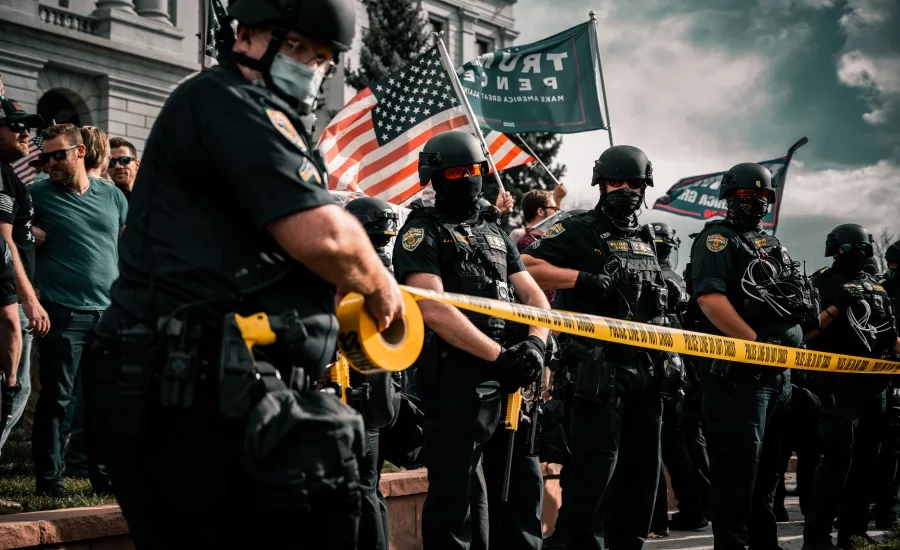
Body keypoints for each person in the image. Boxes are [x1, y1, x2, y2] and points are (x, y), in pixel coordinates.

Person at [92, 0, 405, 547]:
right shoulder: (227, 99)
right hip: (193, 384)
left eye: (323, 57)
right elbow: (326, 236)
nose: (311, 66)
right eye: (297, 47)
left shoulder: (263, 116)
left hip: (214, 376)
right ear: (247, 36)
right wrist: (379, 285)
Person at [393, 130, 551, 550]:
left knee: (520, 493)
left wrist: (535, 344)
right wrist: (498, 355)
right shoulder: (421, 230)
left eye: (474, 169)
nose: (468, 177)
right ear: (436, 176)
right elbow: (432, 307)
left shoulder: (495, 231)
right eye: (457, 171)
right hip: (456, 380)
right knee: (456, 502)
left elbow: (533, 294)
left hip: (513, 374)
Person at [523, 145, 684, 550]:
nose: (625, 190)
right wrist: (587, 280)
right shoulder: (579, 227)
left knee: (643, 474)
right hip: (598, 371)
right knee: (594, 475)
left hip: (648, 371)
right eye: (616, 182)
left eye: (633, 183)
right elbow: (528, 265)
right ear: (601, 184)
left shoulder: (646, 236)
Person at [688, 162, 819, 550]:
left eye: (762, 195)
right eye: (747, 195)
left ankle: (765, 543)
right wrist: (755, 346)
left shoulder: (773, 244)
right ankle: (733, 544)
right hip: (740, 377)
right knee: (738, 471)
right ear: (730, 196)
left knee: (770, 471)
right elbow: (710, 299)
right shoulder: (718, 241)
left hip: (780, 377)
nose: (755, 201)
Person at [28, 123, 127, 496]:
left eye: (58, 155)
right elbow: (10, 233)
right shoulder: (38, 193)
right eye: (46, 156)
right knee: (57, 400)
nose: (50, 162)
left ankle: (103, 478)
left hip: (107, 314)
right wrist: (29, 235)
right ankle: (50, 481)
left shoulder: (113, 197)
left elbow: (123, 248)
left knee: (103, 402)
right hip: (63, 312)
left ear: (80, 152)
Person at [801, 224, 900, 550]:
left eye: (859, 248)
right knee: (833, 466)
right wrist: (837, 305)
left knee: (865, 467)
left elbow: (891, 339)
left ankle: (853, 535)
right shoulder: (822, 282)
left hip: (875, 389)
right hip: (834, 389)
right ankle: (816, 539)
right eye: (848, 248)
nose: (854, 254)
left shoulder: (877, 287)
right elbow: (807, 334)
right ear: (835, 249)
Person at [345, 195, 401, 550]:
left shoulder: (360, 277)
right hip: (381, 396)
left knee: (361, 488)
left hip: (359, 394)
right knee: (370, 485)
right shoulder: (389, 276)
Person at [648, 221, 710, 536]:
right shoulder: (681, 281)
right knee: (679, 445)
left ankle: (655, 519)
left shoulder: (652, 278)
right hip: (683, 373)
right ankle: (695, 511)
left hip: (657, 371)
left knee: (655, 445)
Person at [0, 97, 38, 447]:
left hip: (15, 298)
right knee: (12, 390)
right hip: (10, 299)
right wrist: (24, 299)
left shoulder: (10, 175)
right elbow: (4, 240)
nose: (26, 133)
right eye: (16, 126)